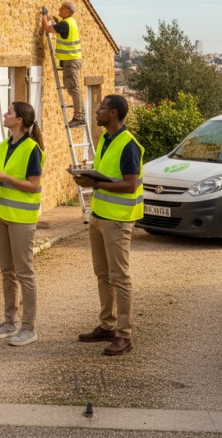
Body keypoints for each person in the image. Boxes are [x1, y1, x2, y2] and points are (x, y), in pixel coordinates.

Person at [73, 94, 143, 356]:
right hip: (99, 217)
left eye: (101, 108)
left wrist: (95, 184)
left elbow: (130, 184)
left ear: (112, 113)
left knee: (120, 278)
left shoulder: (128, 145)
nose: (97, 111)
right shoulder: (105, 138)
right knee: (102, 274)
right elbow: (107, 174)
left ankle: (124, 335)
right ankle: (107, 325)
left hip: (118, 221)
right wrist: (88, 174)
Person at [0, 102, 45, 347]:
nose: (5, 115)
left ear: (19, 120)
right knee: (7, 272)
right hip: (1, 215)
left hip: (22, 220)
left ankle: (29, 328)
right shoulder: (5, 145)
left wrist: (3, 177)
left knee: (24, 273)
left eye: (9, 112)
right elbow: (5, 181)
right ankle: (9, 322)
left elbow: (32, 185)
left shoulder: (32, 149)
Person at [41, 1, 84, 128]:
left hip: (71, 61)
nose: (60, 8)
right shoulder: (70, 22)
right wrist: (54, 18)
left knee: (73, 88)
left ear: (69, 11)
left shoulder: (65, 24)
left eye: (63, 7)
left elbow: (47, 28)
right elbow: (60, 25)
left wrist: (44, 15)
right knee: (72, 87)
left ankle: (78, 117)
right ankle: (80, 115)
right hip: (71, 60)